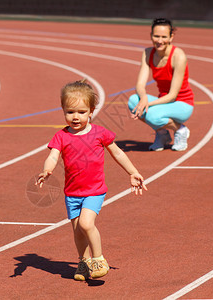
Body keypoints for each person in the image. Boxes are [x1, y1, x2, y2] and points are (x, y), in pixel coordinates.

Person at [36, 79, 147, 281]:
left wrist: (132, 172)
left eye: (81, 112)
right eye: (70, 112)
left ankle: (98, 259)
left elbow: (118, 153)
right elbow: (53, 155)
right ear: (63, 110)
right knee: (78, 231)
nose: (75, 117)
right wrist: (47, 170)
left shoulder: (100, 134)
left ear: (91, 111)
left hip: (94, 190)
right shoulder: (61, 136)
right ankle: (83, 262)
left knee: (87, 224)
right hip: (72, 193)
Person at [128, 18, 194, 151]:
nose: (159, 40)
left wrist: (147, 104)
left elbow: (172, 96)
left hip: (182, 103)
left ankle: (181, 130)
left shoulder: (178, 56)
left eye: (164, 37)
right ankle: (163, 134)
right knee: (133, 101)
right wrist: (144, 99)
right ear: (151, 35)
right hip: (163, 101)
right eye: (156, 36)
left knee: (152, 115)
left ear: (171, 37)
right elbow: (140, 85)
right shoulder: (148, 53)